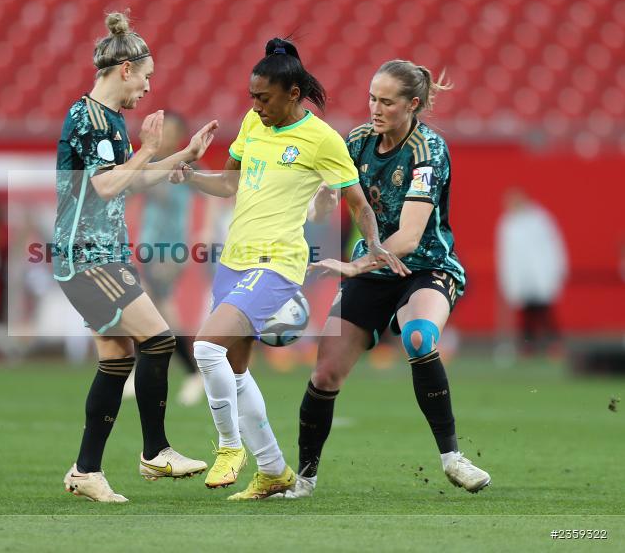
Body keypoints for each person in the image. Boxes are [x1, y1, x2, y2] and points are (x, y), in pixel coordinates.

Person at [169, 38, 406, 500]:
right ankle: (275, 471)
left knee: (205, 349)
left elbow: (356, 203)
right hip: (233, 260)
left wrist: (373, 245)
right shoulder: (252, 125)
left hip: (278, 263)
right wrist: (193, 175)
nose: (256, 107)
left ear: (293, 93)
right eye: (252, 98)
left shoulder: (322, 139)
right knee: (234, 373)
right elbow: (230, 183)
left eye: (265, 98)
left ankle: (228, 446)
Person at [289, 59, 491, 499]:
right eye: (371, 98)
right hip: (375, 270)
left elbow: (411, 235)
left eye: (386, 101)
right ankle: (303, 479)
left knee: (419, 337)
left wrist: (358, 264)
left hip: (427, 266)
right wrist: (319, 206)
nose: (375, 108)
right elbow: (328, 199)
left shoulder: (428, 150)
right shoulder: (357, 141)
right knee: (325, 375)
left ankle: (452, 458)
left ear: (412, 104)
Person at [54, 12, 218, 503]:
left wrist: (181, 156)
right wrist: (147, 151)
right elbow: (104, 186)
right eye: (146, 76)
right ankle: (155, 450)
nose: (148, 88)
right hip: (87, 255)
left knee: (117, 357)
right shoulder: (86, 116)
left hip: (105, 254)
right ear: (125, 68)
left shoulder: (111, 122)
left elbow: (132, 179)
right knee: (160, 338)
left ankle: (86, 471)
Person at [123, 112, 204, 406]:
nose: (166, 136)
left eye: (172, 131)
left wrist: (204, 230)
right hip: (148, 246)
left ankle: (189, 372)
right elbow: (128, 192)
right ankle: (189, 372)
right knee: (158, 312)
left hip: (173, 249)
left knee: (155, 307)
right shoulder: (148, 164)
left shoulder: (188, 165)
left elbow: (211, 197)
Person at [496, 188, 567, 357]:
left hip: (541, 272)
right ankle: (528, 346)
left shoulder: (540, 219)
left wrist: (556, 270)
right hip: (522, 276)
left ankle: (554, 345)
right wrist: (509, 280)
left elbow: (553, 246)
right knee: (526, 314)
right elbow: (507, 254)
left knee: (545, 311)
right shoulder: (508, 224)